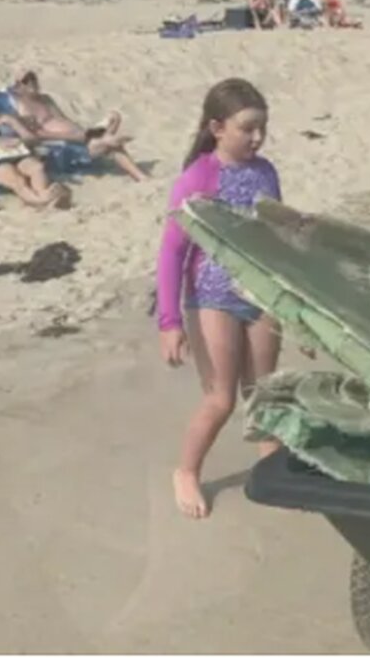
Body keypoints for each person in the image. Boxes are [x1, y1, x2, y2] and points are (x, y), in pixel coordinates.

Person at [155, 78, 284, 519]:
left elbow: (276, 238)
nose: (257, 137)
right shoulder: (198, 177)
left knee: (263, 392)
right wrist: (169, 323)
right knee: (221, 399)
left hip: (263, 294)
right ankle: (187, 471)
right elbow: (172, 252)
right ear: (217, 127)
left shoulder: (266, 171)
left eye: (262, 128)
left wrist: (297, 306)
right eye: (247, 128)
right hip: (213, 298)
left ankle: (273, 465)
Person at [10, 69, 152, 183]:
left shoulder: (46, 99)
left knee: (114, 117)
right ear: (17, 86)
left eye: (33, 78)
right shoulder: (24, 107)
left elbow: (63, 119)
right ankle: (140, 176)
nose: (32, 83)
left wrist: (83, 132)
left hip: (80, 136)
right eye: (26, 81)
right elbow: (38, 135)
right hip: (64, 146)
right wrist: (72, 136)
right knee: (112, 145)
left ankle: (103, 141)